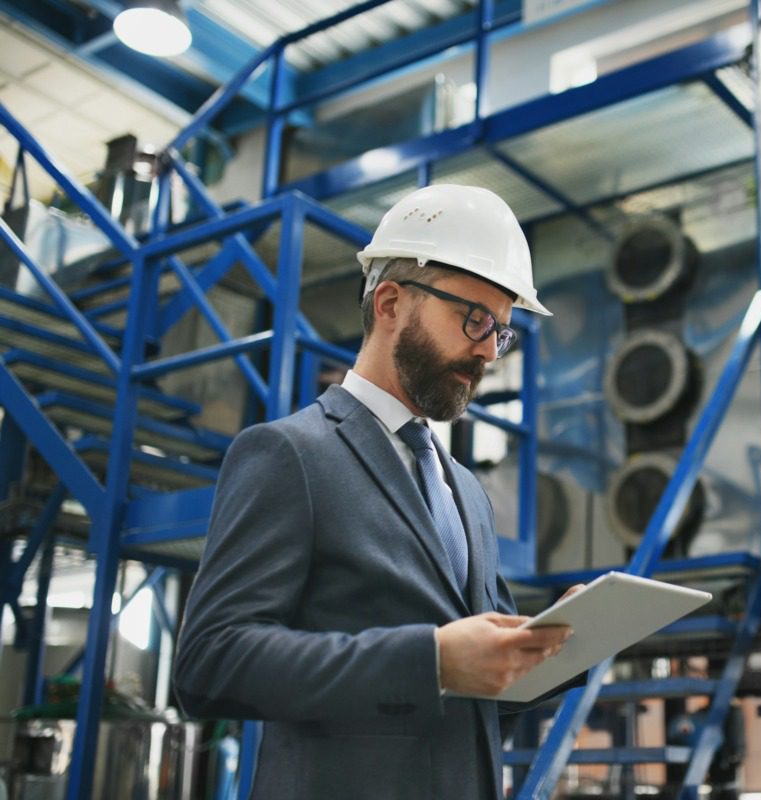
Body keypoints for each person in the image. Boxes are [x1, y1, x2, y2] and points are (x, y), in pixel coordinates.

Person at [174, 184, 578, 799]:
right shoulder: (291, 454)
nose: (487, 353)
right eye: (474, 320)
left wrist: (555, 650)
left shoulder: (465, 491)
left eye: (500, 333)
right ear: (390, 303)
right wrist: (431, 660)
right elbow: (211, 662)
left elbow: (478, 696)